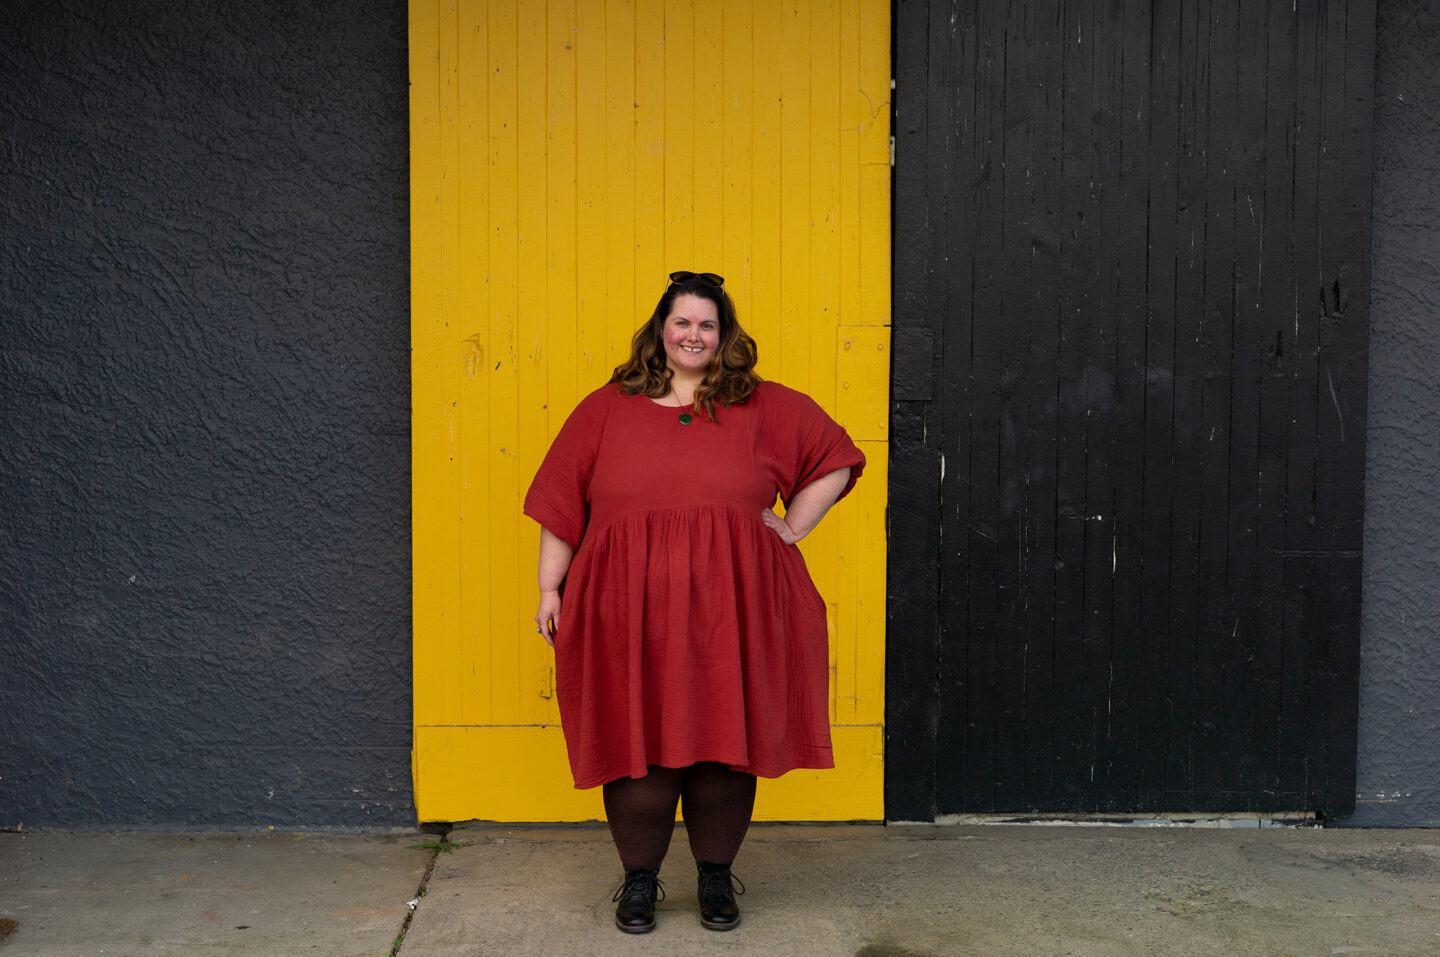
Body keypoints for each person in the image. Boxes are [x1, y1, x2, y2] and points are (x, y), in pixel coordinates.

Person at [523, 270, 865, 934]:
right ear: (660, 330)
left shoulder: (764, 406)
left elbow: (835, 457)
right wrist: (547, 587)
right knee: (636, 741)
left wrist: (794, 525)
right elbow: (561, 503)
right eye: (682, 322)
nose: (693, 335)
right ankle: (640, 883)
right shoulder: (605, 407)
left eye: (707, 324)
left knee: (722, 742)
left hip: (730, 608)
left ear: (724, 335)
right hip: (627, 609)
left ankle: (715, 879)